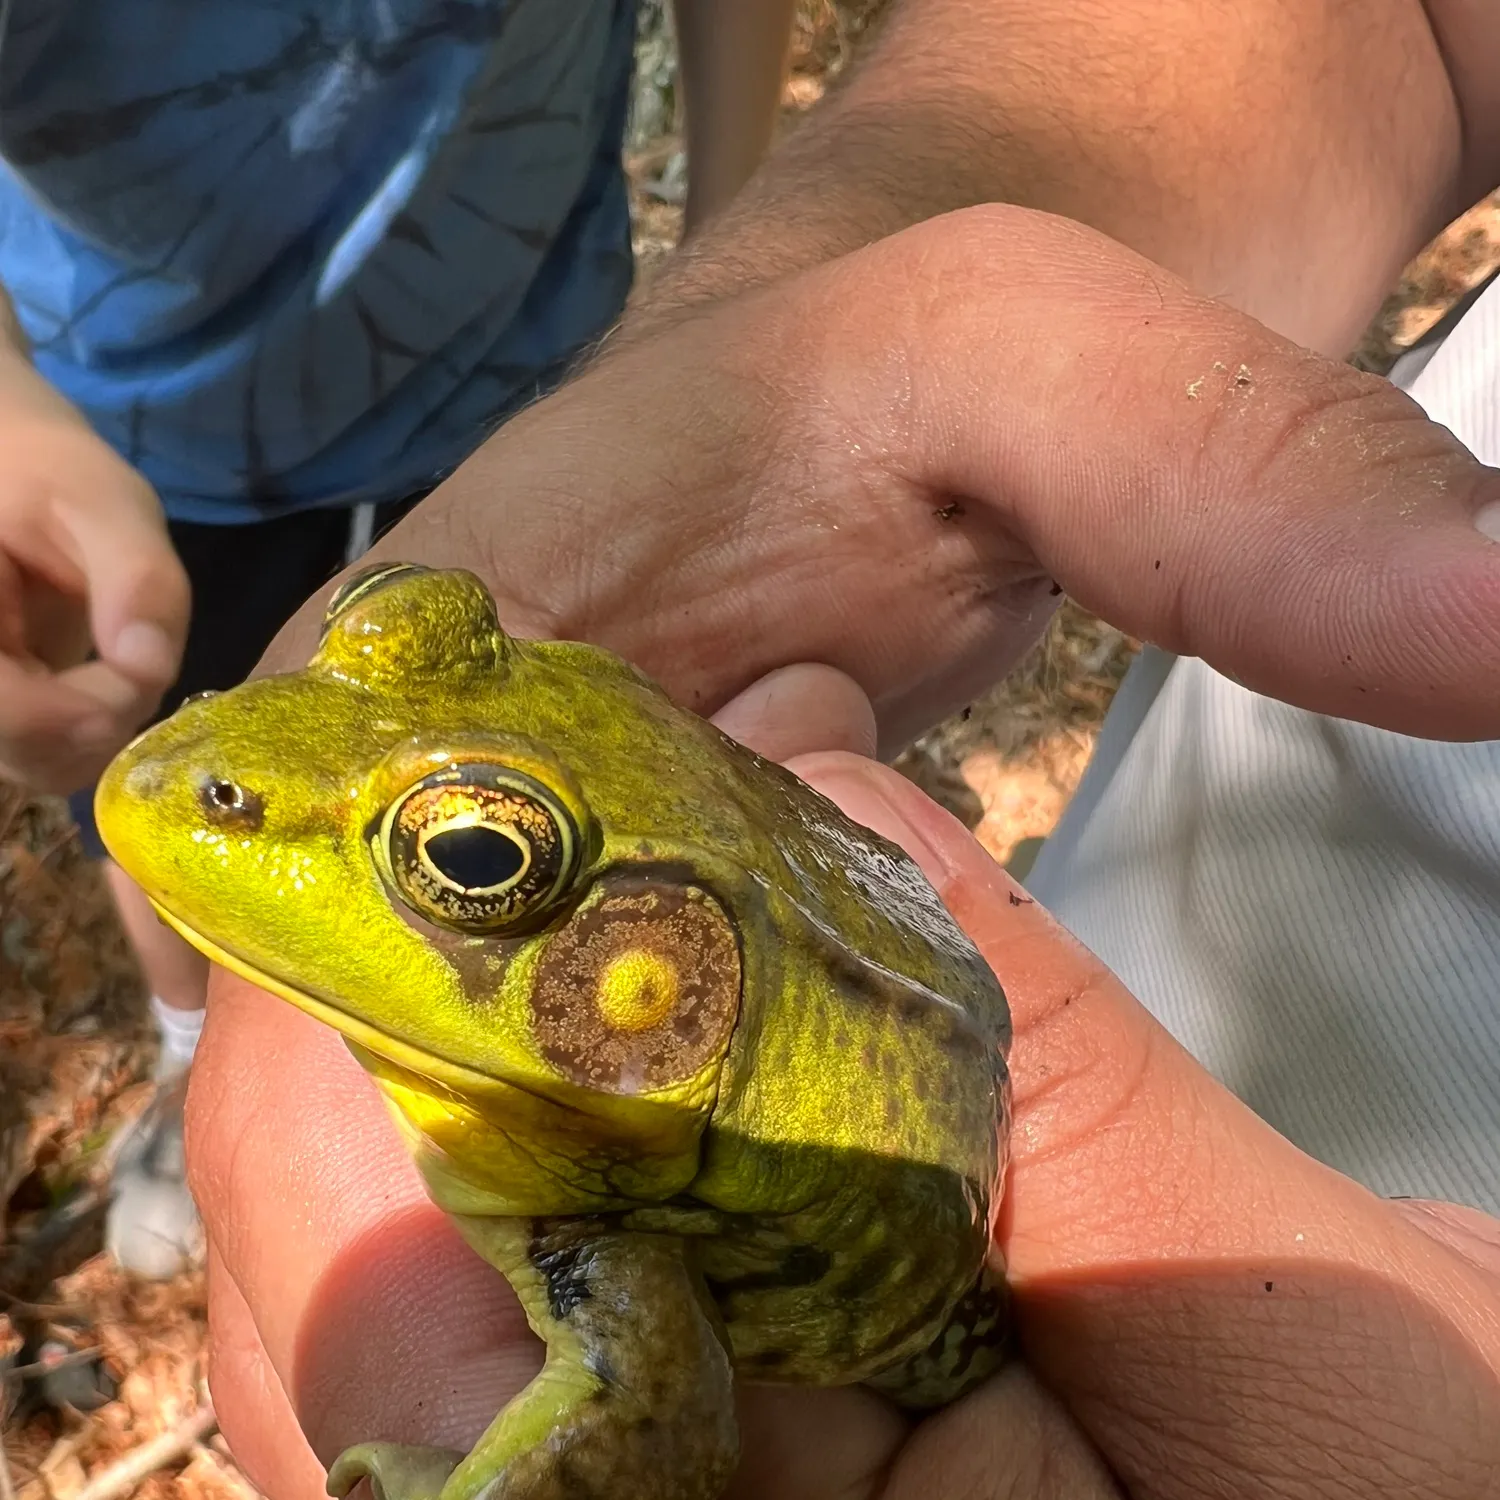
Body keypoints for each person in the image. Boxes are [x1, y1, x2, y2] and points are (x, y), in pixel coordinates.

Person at [7, 0, 1500, 1486]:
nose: (222, 759)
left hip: (1061, 1305)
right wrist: (788, 344)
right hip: (1138, 964)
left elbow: (645, 1422)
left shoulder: (611, 1235)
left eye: (470, 852)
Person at [0, 0, 795, 1277]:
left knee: (517, 789)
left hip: (535, 371)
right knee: (181, 780)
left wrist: (735, 252)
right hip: (140, 445)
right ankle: (196, 1051)